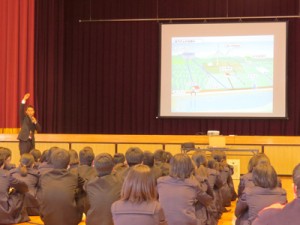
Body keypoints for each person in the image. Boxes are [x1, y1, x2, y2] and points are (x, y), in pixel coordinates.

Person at [157, 153, 212, 225]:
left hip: (163, 222)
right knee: (201, 207)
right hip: (187, 222)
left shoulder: (160, 181)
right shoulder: (193, 184)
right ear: (189, 167)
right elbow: (207, 201)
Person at [38, 148, 84, 225]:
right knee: (81, 193)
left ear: (51, 161)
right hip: (71, 221)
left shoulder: (44, 177)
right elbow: (85, 185)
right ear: (68, 162)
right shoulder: (74, 177)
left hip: (47, 219)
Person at [84, 153, 123, 225]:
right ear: (113, 167)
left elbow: (86, 206)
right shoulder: (120, 183)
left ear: (94, 166)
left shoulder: (89, 185)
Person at [0, 154, 29, 224]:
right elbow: (24, 188)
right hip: (3, 214)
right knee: (20, 193)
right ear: (3, 164)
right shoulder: (6, 174)